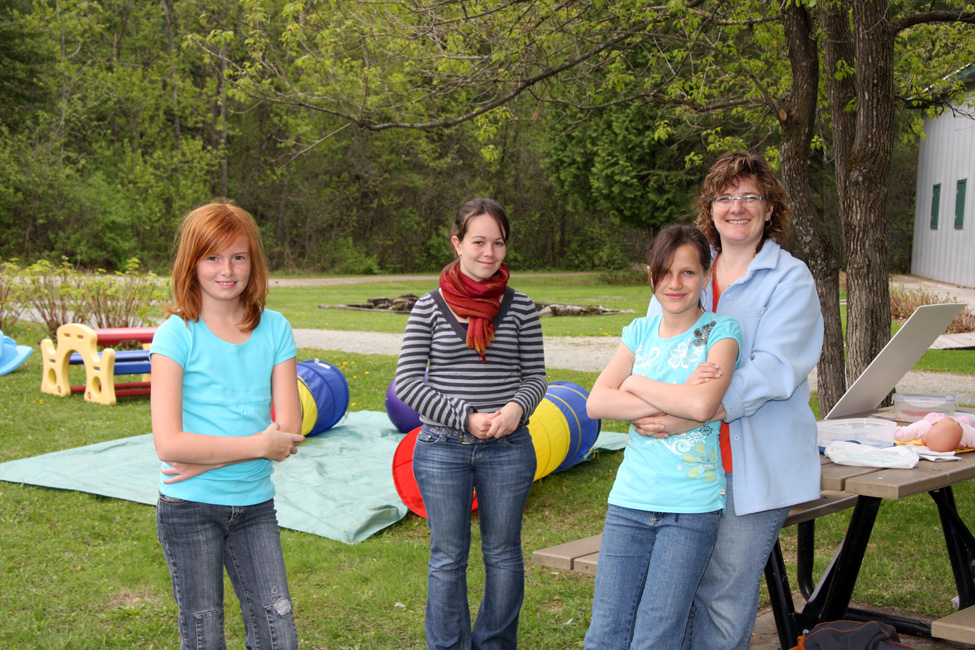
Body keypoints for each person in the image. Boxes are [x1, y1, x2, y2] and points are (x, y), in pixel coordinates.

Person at [637, 152, 825, 650]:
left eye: (749, 197)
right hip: (684, 465)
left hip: (752, 464)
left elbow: (775, 370)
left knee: (723, 595)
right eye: (725, 197)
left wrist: (696, 410)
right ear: (710, 208)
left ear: (769, 209)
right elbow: (655, 348)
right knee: (676, 592)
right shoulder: (690, 269)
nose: (736, 207)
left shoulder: (790, 279)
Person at [150, 201, 305, 650]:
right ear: (192, 263)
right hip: (188, 508)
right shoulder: (176, 334)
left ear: (252, 262)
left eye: (238, 256)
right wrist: (257, 443)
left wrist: (204, 459)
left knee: (279, 635)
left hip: (255, 506)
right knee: (204, 635)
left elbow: (288, 431)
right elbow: (169, 443)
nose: (226, 270)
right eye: (212, 257)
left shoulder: (275, 329)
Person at [394, 198, 547, 650]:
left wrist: (517, 409)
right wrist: (466, 417)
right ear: (457, 242)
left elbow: (536, 376)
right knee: (447, 557)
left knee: (503, 554)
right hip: (442, 447)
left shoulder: (520, 308)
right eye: (478, 241)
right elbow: (406, 382)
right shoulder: (428, 307)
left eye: (498, 243)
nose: (489, 252)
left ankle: (495, 644)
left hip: (509, 447)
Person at [583, 224, 742, 649]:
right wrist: (679, 398)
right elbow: (597, 403)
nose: (675, 284)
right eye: (665, 272)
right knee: (604, 635)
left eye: (688, 273)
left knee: (656, 636)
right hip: (629, 503)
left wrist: (633, 383)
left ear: (706, 276)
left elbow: (703, 407)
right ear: (651, 276)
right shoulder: (638, 331)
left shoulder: (720, 333)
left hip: (690, 510)